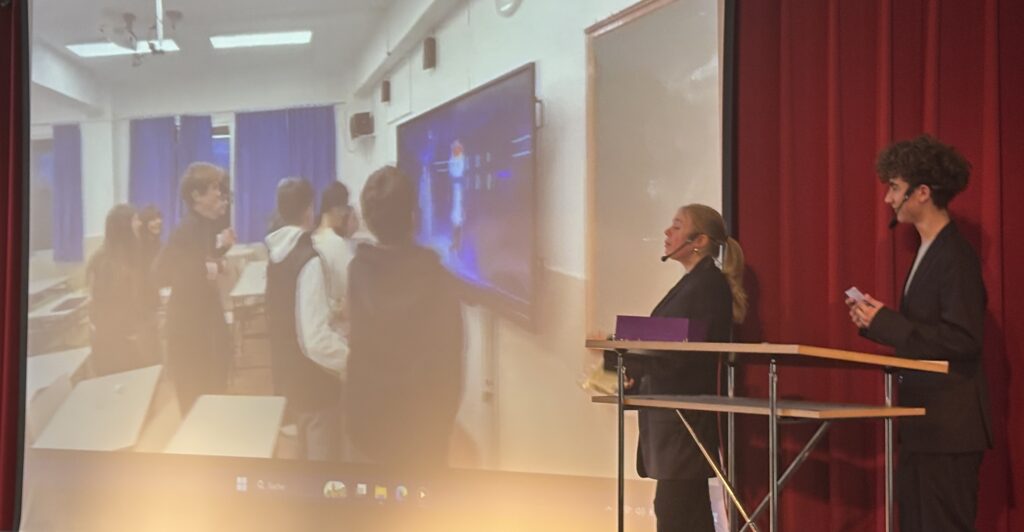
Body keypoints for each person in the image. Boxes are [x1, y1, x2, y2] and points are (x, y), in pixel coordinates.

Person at [846, 135, 991, 532]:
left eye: (895, 187)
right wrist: (875, 322)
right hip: (925, 426)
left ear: (923, 192)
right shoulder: (931, 250)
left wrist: (887, 322)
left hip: (948, 430)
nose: (888, 199)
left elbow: (963, 340)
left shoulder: (955, 255)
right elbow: (926, 332)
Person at [626, 203, 747, 532]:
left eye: (677, 226)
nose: (667, 232)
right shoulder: (694, 283)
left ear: (699, 240)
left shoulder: (707, 285)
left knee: (676, 512)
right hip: (673, 420)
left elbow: (685, 354)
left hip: (684, 420)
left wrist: (630, 357)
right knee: (683, 512)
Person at [346, 165, 464, 468]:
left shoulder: (358, 270)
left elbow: (357, 345)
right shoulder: (439, 279)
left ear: (368, 219)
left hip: (367, 425)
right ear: (414, 216)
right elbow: (451, 363)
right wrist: (441, 426)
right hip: (423, 431)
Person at [265, 178, 348, 461]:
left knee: (304, 455)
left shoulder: (277, 254)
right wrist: (351, 361)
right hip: (315, 382)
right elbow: (316, 340)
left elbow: (290, 308)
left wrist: (329, 308)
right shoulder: (308, 259)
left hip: (290, 373)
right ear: (309, 210)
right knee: (323, 463)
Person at [154, 162, 236, 414]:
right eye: (213, 188)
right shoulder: (187, 228)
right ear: (196, 196)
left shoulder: (202, 225)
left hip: (203, 322)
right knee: (197, 403)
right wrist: (214, 266)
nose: (219, 194)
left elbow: (200, 260)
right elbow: (160, 273)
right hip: (190, 330)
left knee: (212, 397)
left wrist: (220, 251)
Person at [87, 204, 155, 375]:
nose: (140, 223)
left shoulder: (126, 257)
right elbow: (107, 308)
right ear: (124, 226)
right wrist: (129, 333)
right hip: (115, 343)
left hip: (128, 337)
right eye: (135, 220)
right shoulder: (106, 262)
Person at [312, 181, 358, 326]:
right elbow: (351, 286)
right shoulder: (339, 245)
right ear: (337, 210)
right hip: (338, 324)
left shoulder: (310, 240)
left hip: (313, 318)